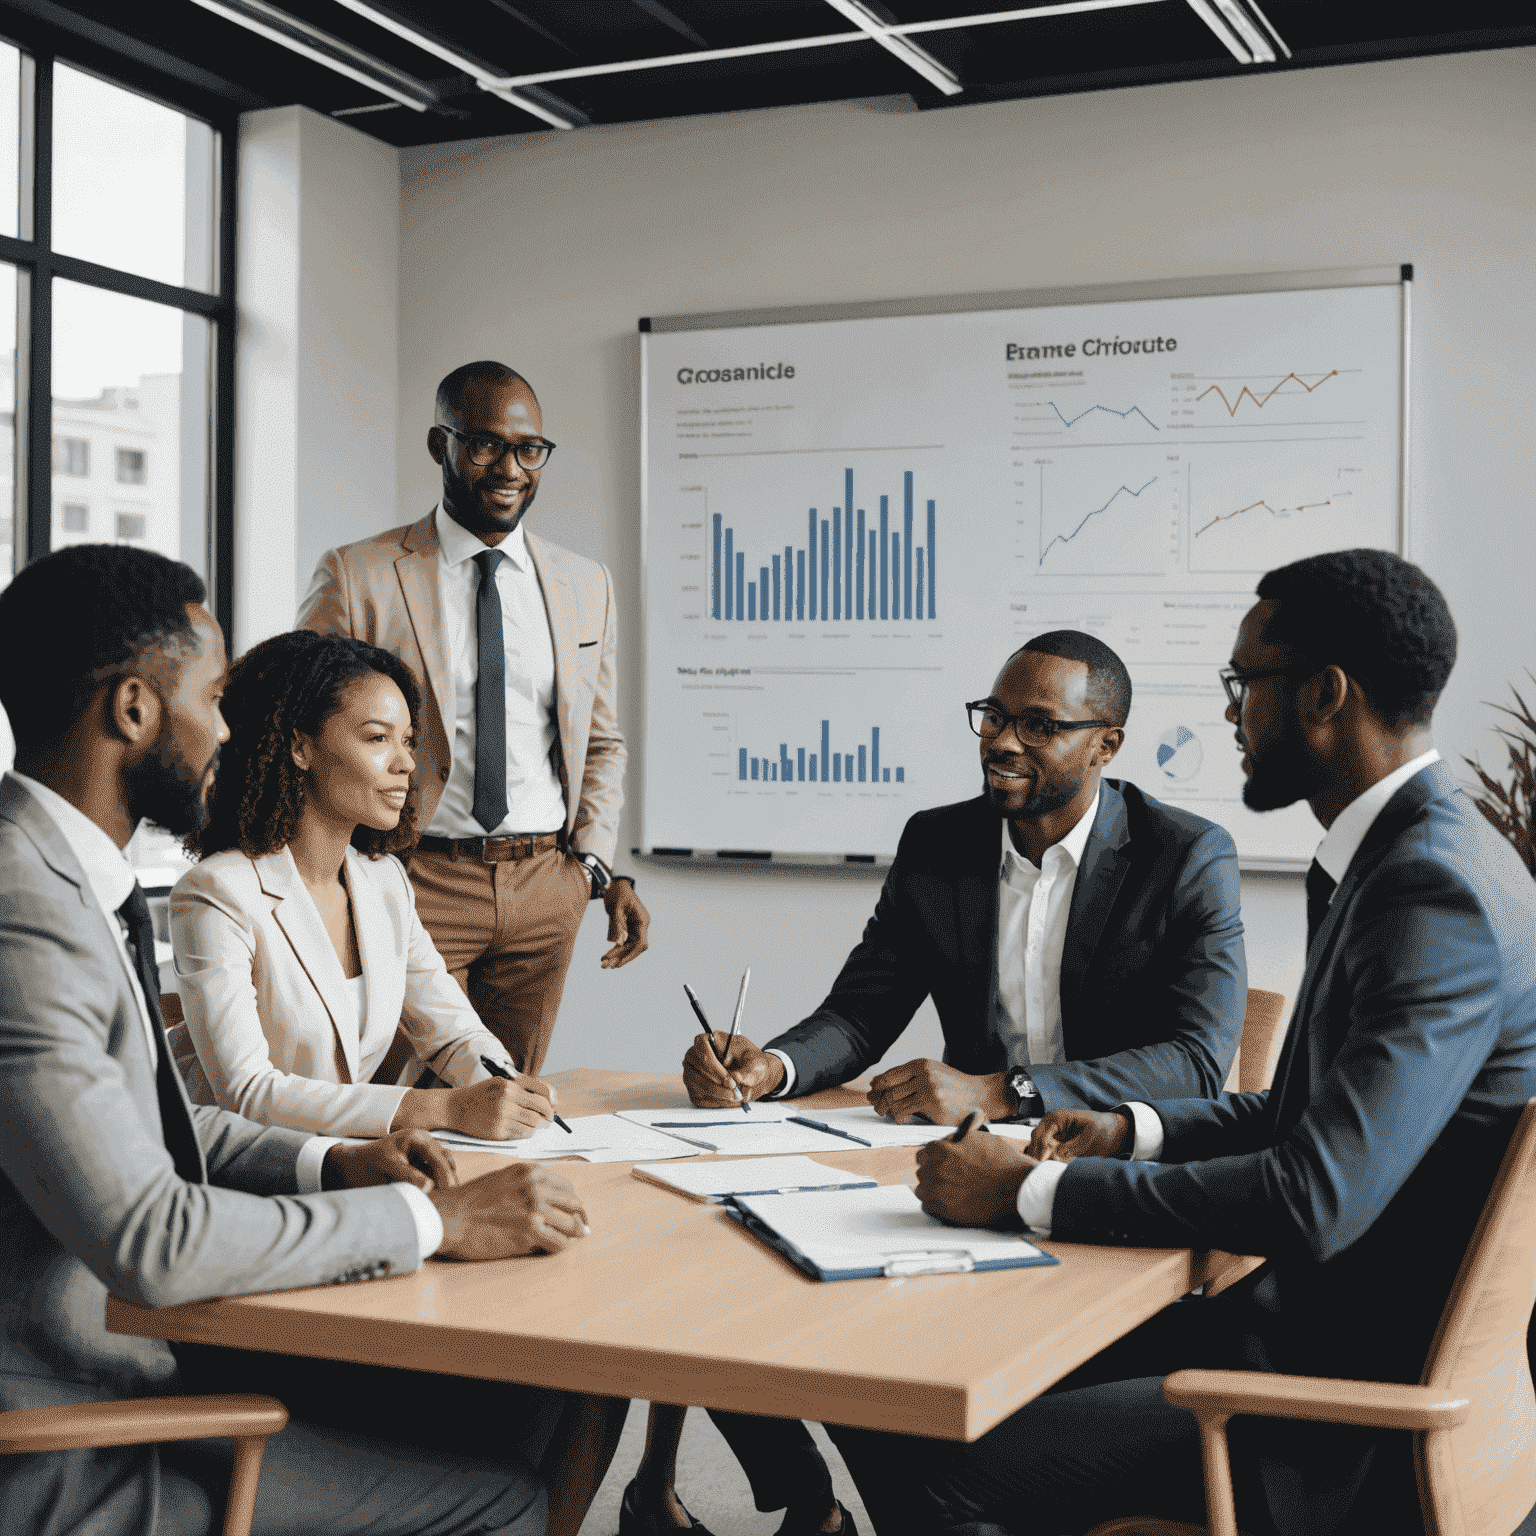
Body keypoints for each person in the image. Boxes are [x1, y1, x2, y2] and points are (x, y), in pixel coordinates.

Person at [840, 549, 1536, 1535]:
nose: (1229, 714)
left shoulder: (1430, 890)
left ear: (1324, 695)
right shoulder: (1412, 853)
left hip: (1335, 1411)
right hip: (1312, 1336)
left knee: (936, 1451)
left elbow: (1314, 1193)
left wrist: (1024, 1191)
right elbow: (1307, 1116)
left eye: (1244, 683)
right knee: (899, 1379)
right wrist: (1132, 1131)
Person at [0, 545, 621, 1536]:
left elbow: (164, 1136)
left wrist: (337, 1164)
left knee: (546, 1393)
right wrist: (435, 1226)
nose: (227, 730)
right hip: (79, 1423)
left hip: (147, 1348)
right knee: (506, 1497)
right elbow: (152, 1237)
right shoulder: (23, 909)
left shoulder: (72, 879)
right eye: (213, 696)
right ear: (132, 710)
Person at [653, 631, 1247, 1536]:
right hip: (951, 1179)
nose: (1002, 741)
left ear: (1106, 744)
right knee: (739, 1263)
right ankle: (813, 1502)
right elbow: (858, 1012)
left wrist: (1001, 1090)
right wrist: (770, 1067)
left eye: (1038, 725)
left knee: (885, 1385)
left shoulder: (1185, 855)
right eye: (994, 716)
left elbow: (1197, 1062)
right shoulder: (940, 841)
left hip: (1100, 1187)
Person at [299, 360, 648, 1076]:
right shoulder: (359, 575)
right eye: (485, 445)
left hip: (544, 885)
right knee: (409, 1104)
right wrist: (346, 866)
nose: (509, 468)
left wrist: (591, 868)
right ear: (440, 445)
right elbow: (294, 723)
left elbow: (602, 740)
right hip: (413, 875)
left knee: (508, 1105)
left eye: (528, 449)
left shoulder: (586, 584)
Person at [169, 628, 559, 1142]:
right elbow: (247, 1092)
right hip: (232, 1170)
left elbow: (454, 1034)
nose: (406, 764)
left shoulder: (384, 881)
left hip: (345, 1160)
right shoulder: (217, 893)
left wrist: (506, 1089)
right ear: (300, 747)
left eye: (407, 741)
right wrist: (445, 1109)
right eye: (378, 738)